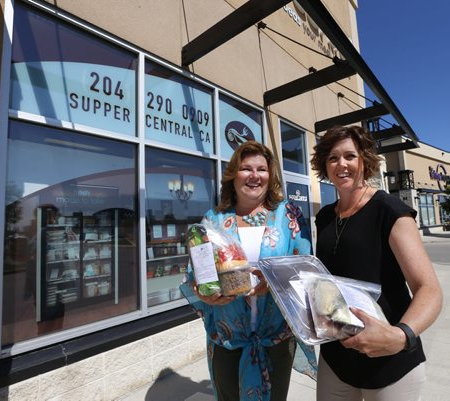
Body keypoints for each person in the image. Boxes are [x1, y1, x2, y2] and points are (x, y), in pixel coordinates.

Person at [310, 125, 443, 401]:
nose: (341, 164)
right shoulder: (324, 217)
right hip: (336, 357)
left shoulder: (389, 211)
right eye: (333, 158)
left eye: (350, 156)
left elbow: (428, 288)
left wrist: (401, 336)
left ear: (364, 160)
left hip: (388, 361)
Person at [181, 141, 317, 401]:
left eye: (262, 169)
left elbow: (306, 270)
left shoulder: (288, 216)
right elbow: (195, 273)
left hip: (275, 339)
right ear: (233, 176)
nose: (255, 175)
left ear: (270, 175)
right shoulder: (213, 219)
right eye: (246, 169)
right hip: (227, 338)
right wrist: (203, 292)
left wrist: (274, 282)